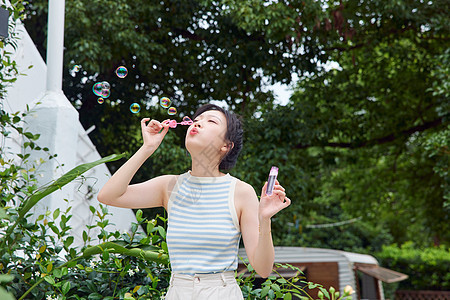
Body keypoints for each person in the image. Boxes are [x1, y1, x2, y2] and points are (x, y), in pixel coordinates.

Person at [97, 103, 291, 299]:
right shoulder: (169, 186)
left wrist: (265, 220)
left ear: (226, 145)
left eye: (211, 121)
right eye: (196, 120)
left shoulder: (240, 192)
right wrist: (148, 147)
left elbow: (263, 269)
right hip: (178, 292)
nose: (197, 123)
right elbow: (108, 196)